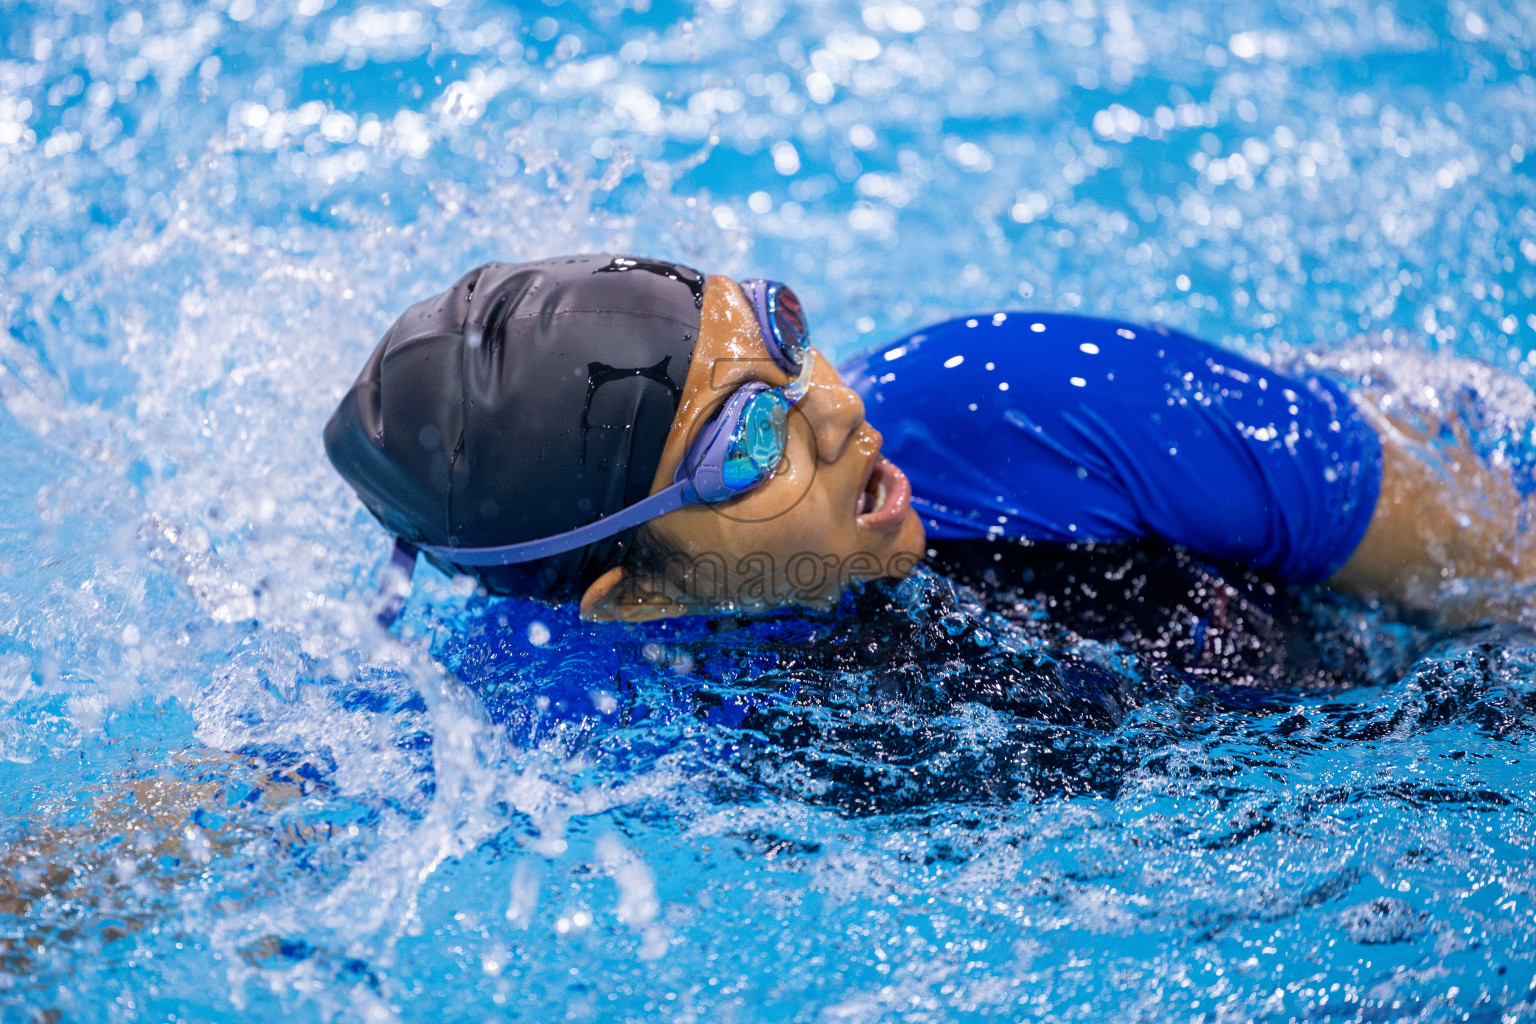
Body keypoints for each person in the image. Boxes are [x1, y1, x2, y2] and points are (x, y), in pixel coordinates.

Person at [323, 254, 1535, 627]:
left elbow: (1490, 554)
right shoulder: (577, 700)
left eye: (783, 337)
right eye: (749, 443)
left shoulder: (1025, 400)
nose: (837, 411)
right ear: (629, 595)